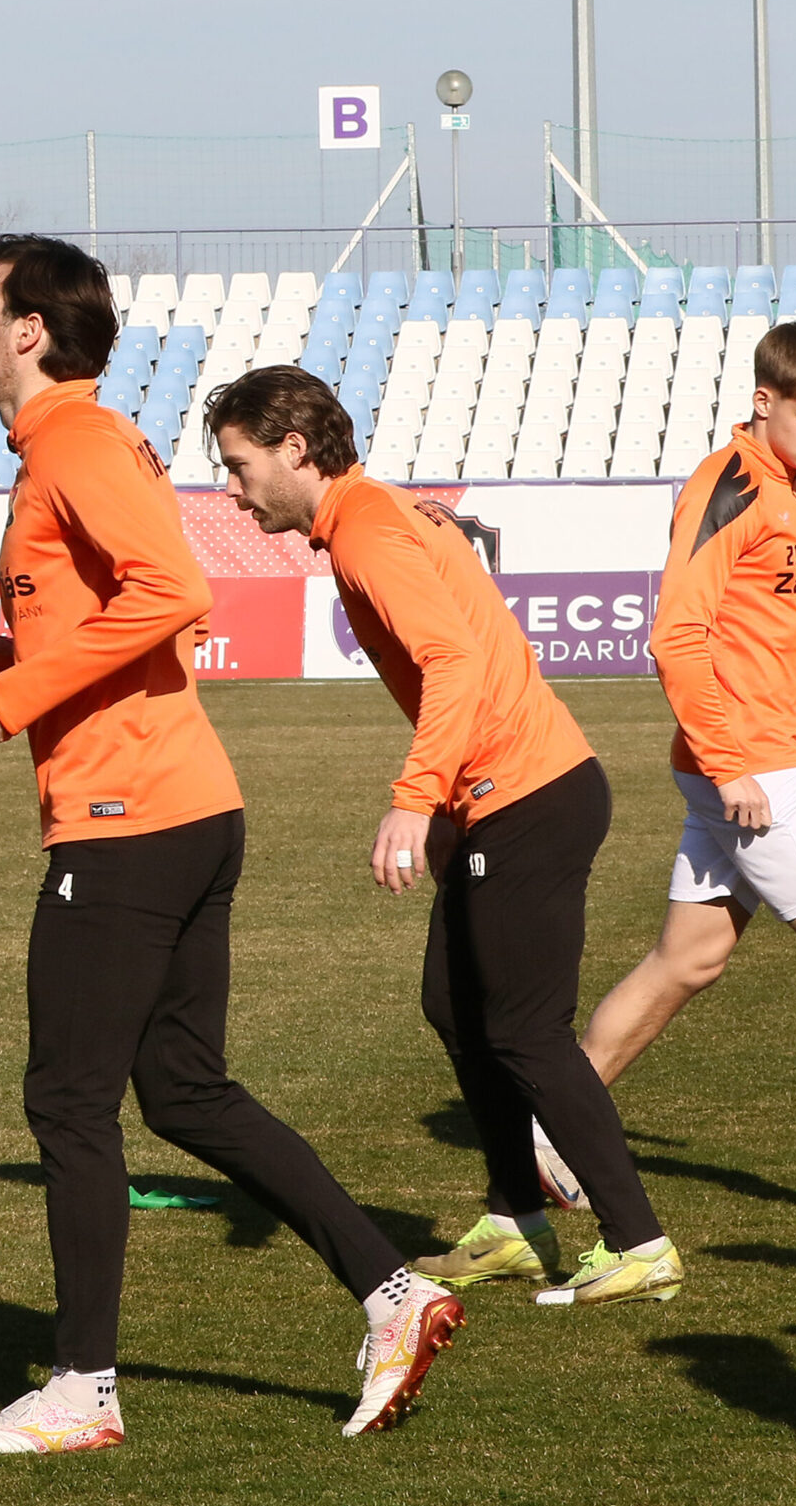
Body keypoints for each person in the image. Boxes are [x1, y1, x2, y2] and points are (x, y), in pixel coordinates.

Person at [0, 236, 457, 1456]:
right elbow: (121, 609)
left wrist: (19, 693)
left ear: (26, 330)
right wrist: (15, 651)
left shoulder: (72, 440)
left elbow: (172, 590)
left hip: (129, 820)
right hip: (174, 808)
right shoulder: (72, 442)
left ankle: (81, 1389)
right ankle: (392, 1292)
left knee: (68, 1099)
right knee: (180, 1089)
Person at [211, 365, 681, 1307]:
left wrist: (415, 797)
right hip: (499, 796)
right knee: (457, 1006)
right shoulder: (374, 513)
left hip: (528, 792)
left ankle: (639, 1240)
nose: (231, 488)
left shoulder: (367, 528)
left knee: (525, 1029)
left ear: (294, 450)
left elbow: (455, 660)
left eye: (238, 464)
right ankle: (516, 1220)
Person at [546, 321, 796, 1221]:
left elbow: (795, 623)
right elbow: (675, 636)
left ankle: (545, 1136)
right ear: (763, 400)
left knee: (689, 957)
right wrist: (728, 766)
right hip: (751, 765)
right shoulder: (727, 486)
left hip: (754, 758)